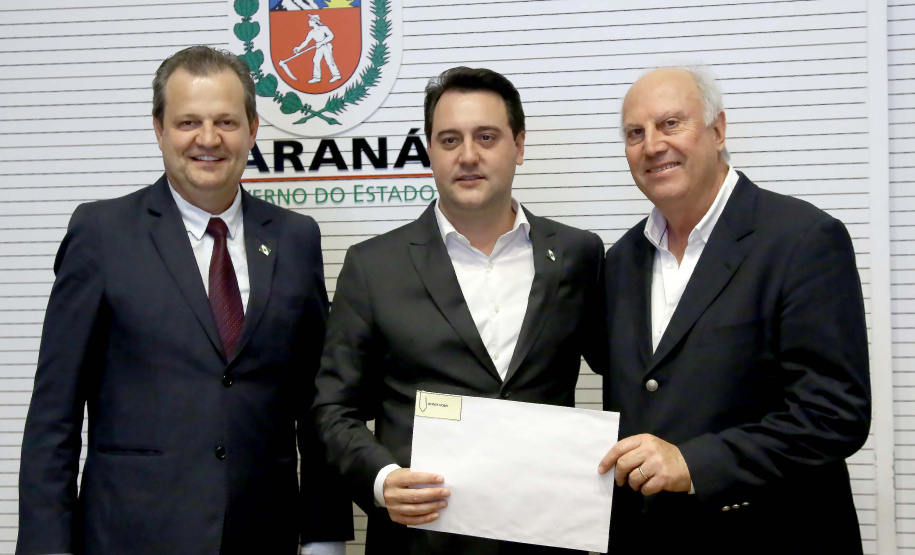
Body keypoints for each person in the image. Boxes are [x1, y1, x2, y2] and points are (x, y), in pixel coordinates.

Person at [16, 46, 353, 555]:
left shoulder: (295, 238)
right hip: (130, 537)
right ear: (159, 128)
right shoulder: (101, 233)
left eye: (226, 121)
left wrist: (324, 534)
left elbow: (316, 402)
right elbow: (53, 416)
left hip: (264, 536)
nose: (209, 139)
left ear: (253, 129)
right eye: (188, 122)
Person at [313, 66, 605, 554]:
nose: (468, 156)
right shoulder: (373, 266)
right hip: (420, 542)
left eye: (486, 137)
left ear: (519, 144)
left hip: (549, 540)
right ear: (429, 150)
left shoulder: (579, 255)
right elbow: (332, 409)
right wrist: (381, 480)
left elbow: (632, 371)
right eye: (449, 140)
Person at [596, 66, 871, 554]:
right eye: (635, 133)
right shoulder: (619, 262)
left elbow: (835, 414)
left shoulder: (802, 239)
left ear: (717, 130)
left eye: (670, 124)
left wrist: (695, 463)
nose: (652, 145)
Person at [294, 14, 342, 84]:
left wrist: (321, 42)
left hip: (326, 45)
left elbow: (331, 36)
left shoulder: (324, 28)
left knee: (329, 61)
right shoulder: (311, 32)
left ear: (314, 21)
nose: (308, 22)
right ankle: (316, 77)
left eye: (310, 20)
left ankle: (336, 75)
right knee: (316, 60)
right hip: (319, 47)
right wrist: (299, 48)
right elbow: (306, 42)